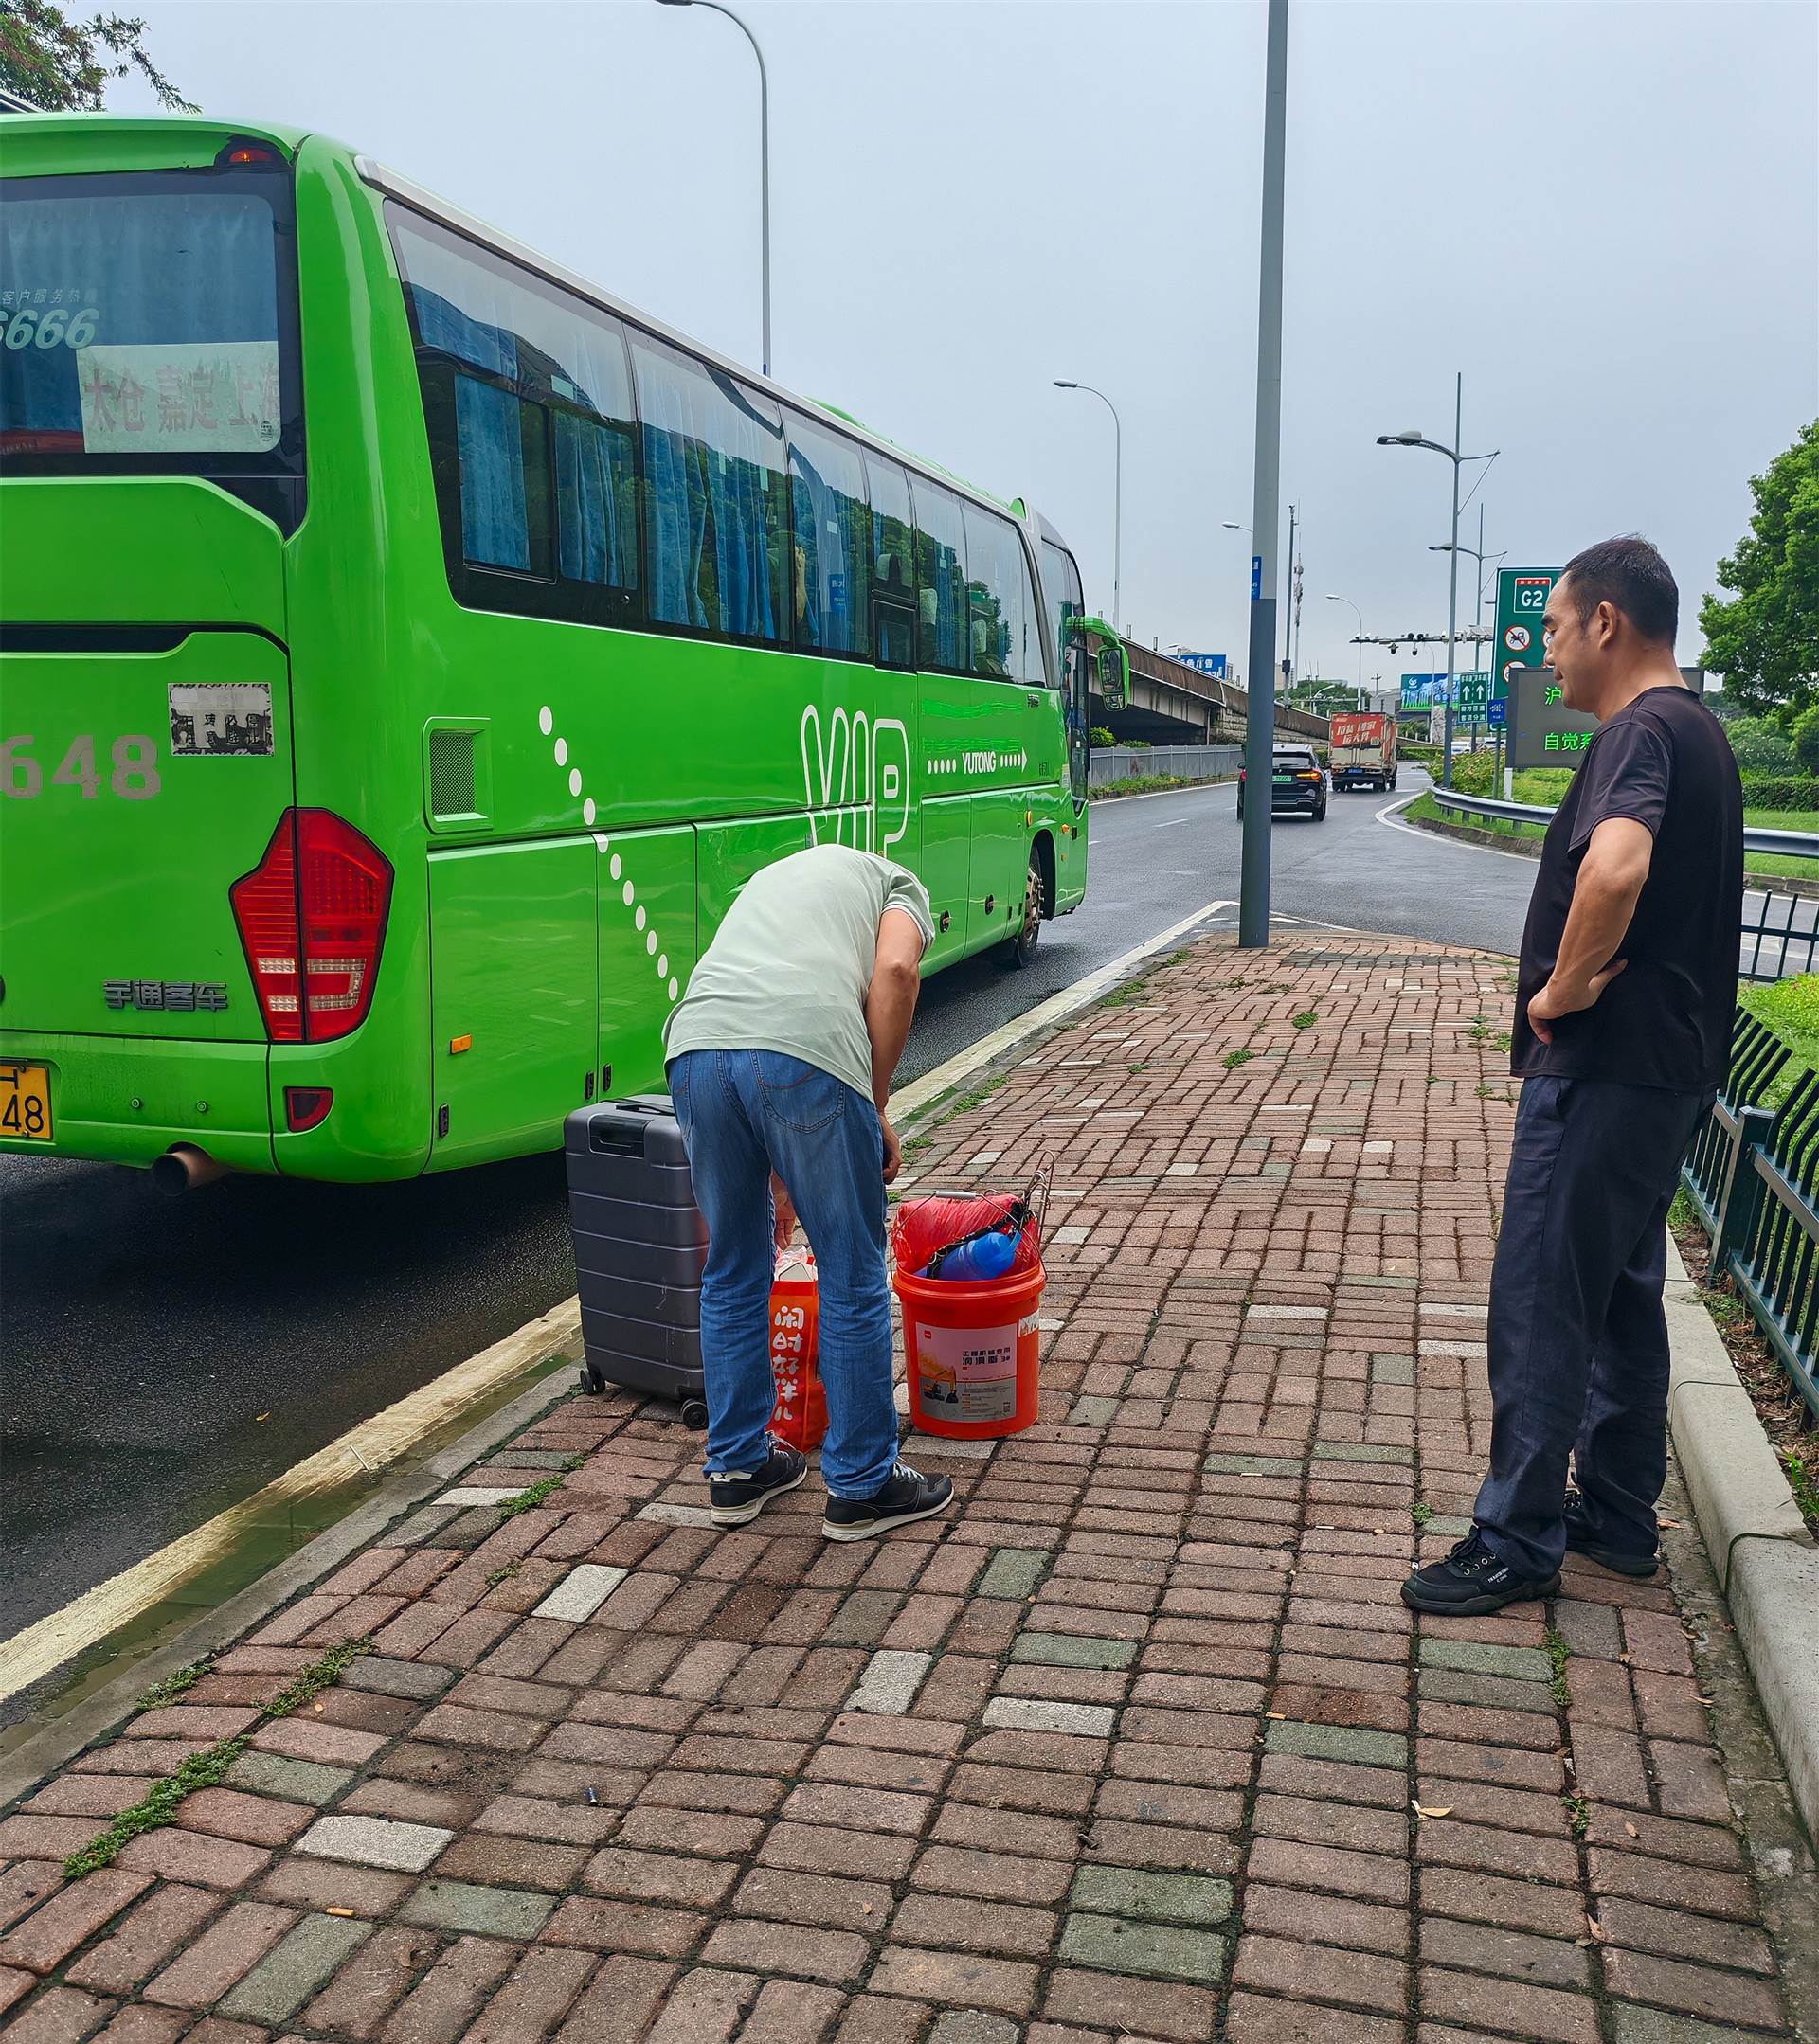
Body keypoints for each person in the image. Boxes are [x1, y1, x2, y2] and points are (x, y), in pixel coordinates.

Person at [1403, 537, 1742, 1616]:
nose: (1545, 653)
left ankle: (1515, 1535)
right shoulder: (1701, 732)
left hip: (1604, 1066)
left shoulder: (1638, 731)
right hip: (1671, 1071)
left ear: (1606, 622)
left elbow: (1620, 862)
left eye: (1553, 628)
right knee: (1624, 1293)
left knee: (1546, 1295)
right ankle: (1618, 1513)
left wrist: (1559, 990)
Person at [663, 841, 954, 1541]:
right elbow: (895, 971)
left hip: (695, 1048)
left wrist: (783, 1174)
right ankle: (861, 1484)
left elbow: (748, 1045)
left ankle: (738, 1469)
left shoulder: (773, 880)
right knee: (853, 1275)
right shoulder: (898, 884)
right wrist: (875, 1101)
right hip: (807, 1051)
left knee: (733, 1267)